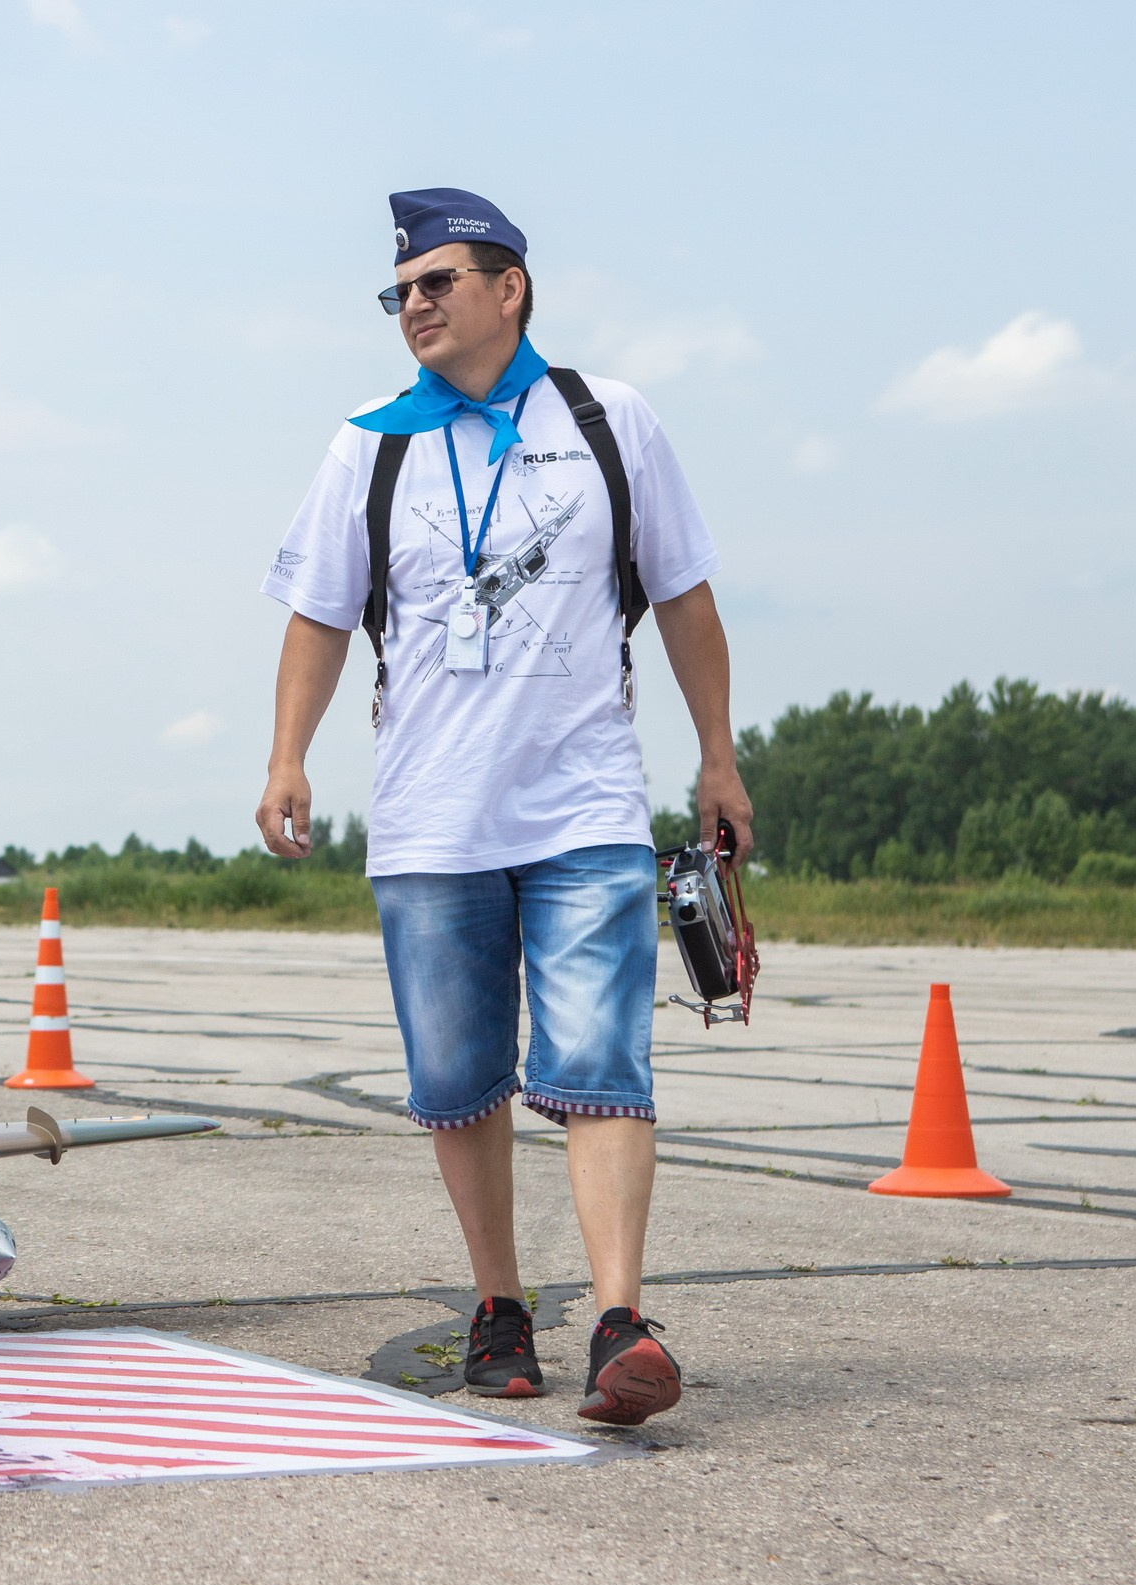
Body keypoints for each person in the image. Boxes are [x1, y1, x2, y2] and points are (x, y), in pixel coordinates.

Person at [253, 188, 752, 1424]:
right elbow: (319, 613)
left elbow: (683, 596)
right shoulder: (368, 442)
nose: (413, 307)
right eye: (399, 293)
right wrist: (288, 756)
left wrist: (717, 755)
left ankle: (624, 1318)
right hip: (429, 819)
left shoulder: (607, 422)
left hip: (583, 805)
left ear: (509, 287)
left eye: (436, 283)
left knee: (599, 1063)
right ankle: (499, 1309)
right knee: (460, 1078)